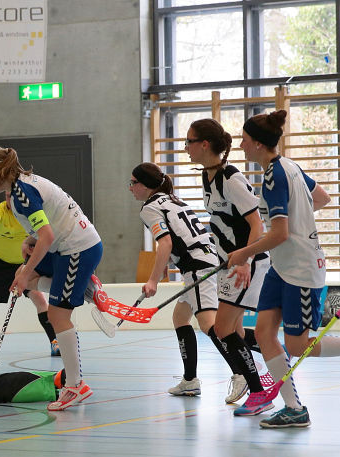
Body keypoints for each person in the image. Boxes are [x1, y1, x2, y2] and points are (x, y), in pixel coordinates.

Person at [228, 109, 338, 428]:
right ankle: (294, 408)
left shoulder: (275, 176)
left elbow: (280, 234)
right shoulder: (290, 165)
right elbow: (322, 198)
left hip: (301, 269)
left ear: (258, 144)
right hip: (282, 267)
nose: (241, 145)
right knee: (264, 332)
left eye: (244, 140)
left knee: (296, 345)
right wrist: (299, 217)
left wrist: (243, 254)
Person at [0, 146, 102, 411]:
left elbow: (47, 235)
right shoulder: (19, 186)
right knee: (25, 276)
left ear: (1, 172)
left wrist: (25, 272)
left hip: (76, 249)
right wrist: (29, 241)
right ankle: (84, 287)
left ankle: (75, 385)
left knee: (57, 315)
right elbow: (45, 225)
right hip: (63, 247)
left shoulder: (22, 194)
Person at [186, 118, 274, 413]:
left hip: (249, 263)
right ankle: (272, 358)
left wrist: (245, 260)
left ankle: (259, 392)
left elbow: (257, 225)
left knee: (222, 328)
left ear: (204, 144)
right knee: (234, 331)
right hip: (230, 264)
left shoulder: (231, 178)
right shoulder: (207, 177)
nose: (186, 148)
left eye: (189, 142)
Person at [129, 163, 227, 397]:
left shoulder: (149, 208)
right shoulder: (174, 200)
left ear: (145, 185)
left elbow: (166, 242)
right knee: (180, 317)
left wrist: (153, 281)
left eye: (133, 183)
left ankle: (242, 370)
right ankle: (190, 380)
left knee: (209, 325)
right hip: (205, 259)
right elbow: (177, 237)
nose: (130, 188)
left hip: (197, 267)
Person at [0, 192, 60, 357]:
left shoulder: (29, 212)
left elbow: (44, 233)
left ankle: (54, 341)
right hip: (0, 266)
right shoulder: (1, 210)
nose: (10, 199)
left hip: (25, 265)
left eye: (12, 196)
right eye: (7, 196)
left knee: (41, 301)